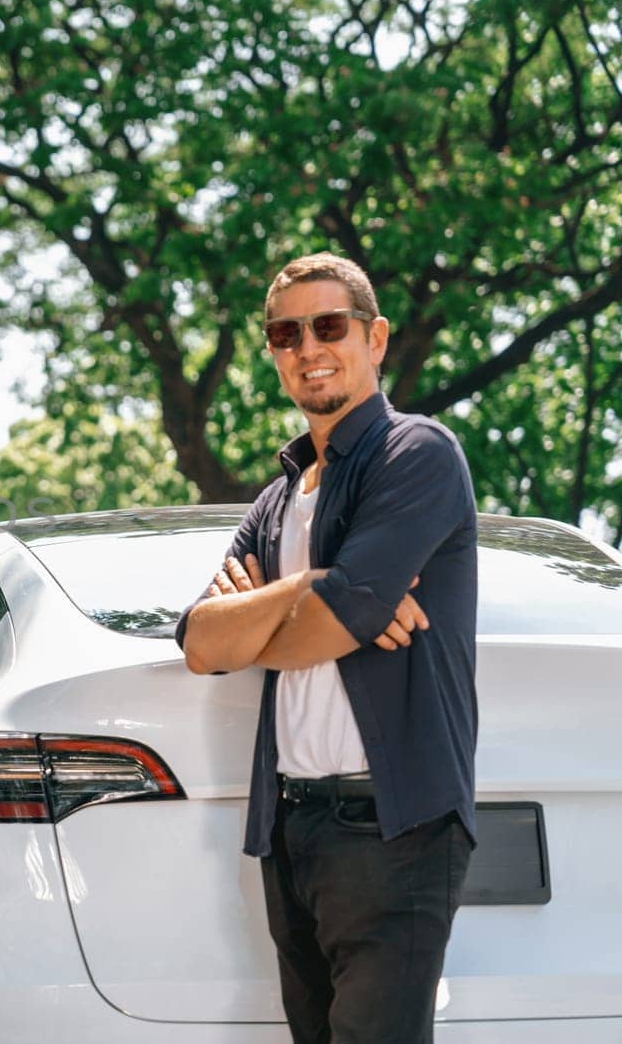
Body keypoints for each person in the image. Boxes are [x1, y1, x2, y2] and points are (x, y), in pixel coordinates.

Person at [176, 253, 478, 1043]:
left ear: (374, 338)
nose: (308, 346)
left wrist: (284, 615)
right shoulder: (277, 499)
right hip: (293, 829)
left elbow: (325, 624)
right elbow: (201, 643)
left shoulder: (419, 455)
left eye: (328, 325)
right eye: (285, 332)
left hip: (394, 827)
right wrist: (326, 585)